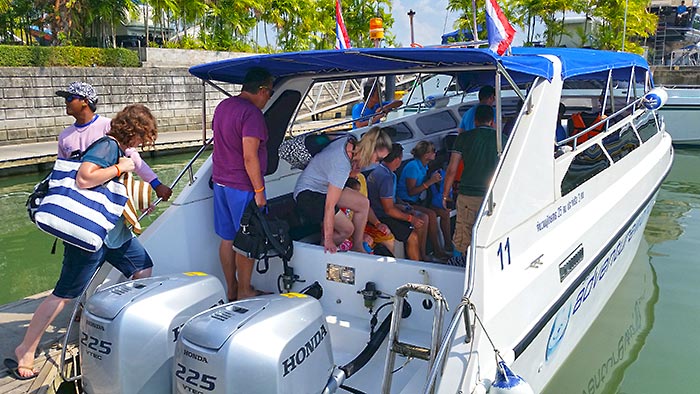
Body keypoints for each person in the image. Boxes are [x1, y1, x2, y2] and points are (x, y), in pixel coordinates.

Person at [9, 104, 159, 380]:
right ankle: (26, 349)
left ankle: (112, 319)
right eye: (143, 136)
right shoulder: (107, 147)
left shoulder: (120, 150)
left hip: (113, 235)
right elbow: (85, 177)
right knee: (64, 294)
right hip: (88, 237)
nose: (143, 143)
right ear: (134, 132)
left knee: (143, 269)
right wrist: (118, 168)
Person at [212, 67, 274, 302]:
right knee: (247, 239)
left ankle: (232, 288)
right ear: (261, 90)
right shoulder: (252, 114)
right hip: (242, 186)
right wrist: (259, 192)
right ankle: (245, 290)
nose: (268, 98)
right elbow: (250, 156)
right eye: (269, 93)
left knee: (228, 239)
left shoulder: (223, 107)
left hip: (221, 183)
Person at [55, 82, 172, 201]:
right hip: (77, 198)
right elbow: (62, 169)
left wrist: (156, 185)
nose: (66, 102)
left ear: (85, 101)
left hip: (104, 198)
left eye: (70, 98)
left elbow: (133, 159)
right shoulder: (64, 136)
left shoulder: (110, 127)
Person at [294, 127, 393, 253]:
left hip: (322, 186)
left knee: (363, 204)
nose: (377, 163)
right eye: (378, 159)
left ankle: (358, 247)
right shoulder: (341, 165)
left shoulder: (349, 140)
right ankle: (323, 248)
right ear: (370, 150)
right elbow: (330, 206)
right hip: (308, 195)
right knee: (347, 229)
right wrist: (329, 238)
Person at [443, 105, 508, 254]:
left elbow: (452, 169)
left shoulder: (463, 138)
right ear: (492, 121)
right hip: (492, 196)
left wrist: (445, 195)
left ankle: (464, 267)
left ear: (475, 120)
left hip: (468, 195)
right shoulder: (502, 140)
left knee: (464, 236)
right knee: (490, 232)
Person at [367, 143, 429, 261]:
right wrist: (411, 219)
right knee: (413, 237)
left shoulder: (381, 171)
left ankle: (422, 257)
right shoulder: (386, 178)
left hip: (380, 211)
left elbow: (390, 200)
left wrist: (404, 207)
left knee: (422, 218)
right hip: (381, 217)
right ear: (397, 159)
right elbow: (388, 210)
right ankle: (417, 267)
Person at [396, 141, 452, 259]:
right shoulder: (413, 167)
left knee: (444, 213)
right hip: (406, 201)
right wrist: (430, 182)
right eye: (433, 151)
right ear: (426, 155)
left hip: (420, 201)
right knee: (429, 215)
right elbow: (411, 192)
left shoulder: (424, 166)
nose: (435, 153)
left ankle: (447, 246)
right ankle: (423, 253)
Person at [348, 163, 395, 255]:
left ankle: (387, 268)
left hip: (361, 225)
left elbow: (366, 207)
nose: (359, 166)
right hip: (346, 229)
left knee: (387, 236)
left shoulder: (361, 178)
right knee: (367, 242)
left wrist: (377, 223)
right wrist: (358, 235)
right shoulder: (339, 180)